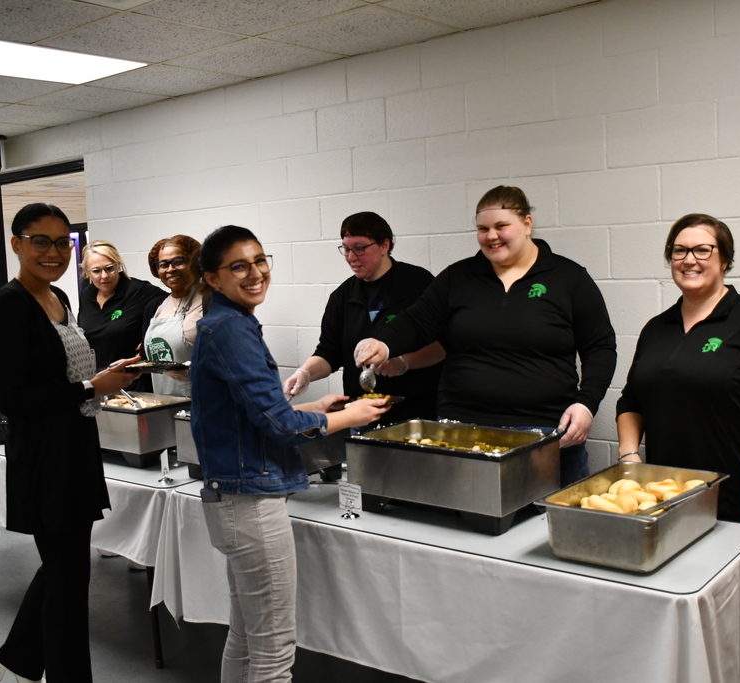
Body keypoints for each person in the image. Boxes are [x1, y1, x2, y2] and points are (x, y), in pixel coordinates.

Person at [191, 225, 390, 682]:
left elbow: (256, 414)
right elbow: (280, 427)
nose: (255, 273)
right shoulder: (231, 329)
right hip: (252, 506)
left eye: (260, 261)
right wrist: (350, 416)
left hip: (233, 499)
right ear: (213, 279)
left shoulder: (227, 323)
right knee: (274, 649)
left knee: (247, 636)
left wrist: (313, 409)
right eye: (238, 266)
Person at [354, 185, 616, 487]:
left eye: (501, 226)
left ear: (527, 224)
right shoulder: (458, 277)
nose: (491, 236)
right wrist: (384, 343)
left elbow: (600, 347)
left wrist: (586, 404)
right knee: (468, 513)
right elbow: (417, 321)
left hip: (547, 432)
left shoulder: (568, 278)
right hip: (462, 429)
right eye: (483, 229)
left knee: (550, 516)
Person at [0, 203, 140, 683]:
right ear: (17, 244)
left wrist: (105, 376)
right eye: (40, 241)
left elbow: (63, 375)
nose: (53, 251)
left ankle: (16, 660)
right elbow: (12, 397)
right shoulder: (11, 304)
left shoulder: (58, 297)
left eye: (61, 242)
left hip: (75, 447)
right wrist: (92, 388)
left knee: (63, 568)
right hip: (45, 456)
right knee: (68, 580)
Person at [616, 213, 740, 537]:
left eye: (702, 250)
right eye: (679, 251)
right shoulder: (655, 329)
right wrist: (629, 455)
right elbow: (631, 400)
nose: (689, 260)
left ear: (724, 260)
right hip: (664, 499)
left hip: (735, 502)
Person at [283, 211, 444, 425]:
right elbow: (329, 352)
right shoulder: (342, 296)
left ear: (384, 245)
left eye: (359, 248)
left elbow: (442, 347)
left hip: (416, 414)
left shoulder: (418, 284)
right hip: (361, 415)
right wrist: (305, 373)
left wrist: (404, 362)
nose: (351, 257)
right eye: (346, 249)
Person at [77, 240, 166, 388]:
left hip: (133, 383)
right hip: (99, 381)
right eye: (96, 271)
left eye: (109, 268)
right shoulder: (87, 295)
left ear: (118, 265)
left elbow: (175, 302)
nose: (104, 276)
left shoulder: (138, 290)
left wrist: (151, 337)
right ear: (87, 272)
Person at [143, 235, 207, 397]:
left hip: (208, 405)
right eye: (163, 264)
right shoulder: (156, 307)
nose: (170, 269)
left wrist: (190, 373)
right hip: (164, 404)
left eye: (178, 261)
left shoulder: (214, 302)